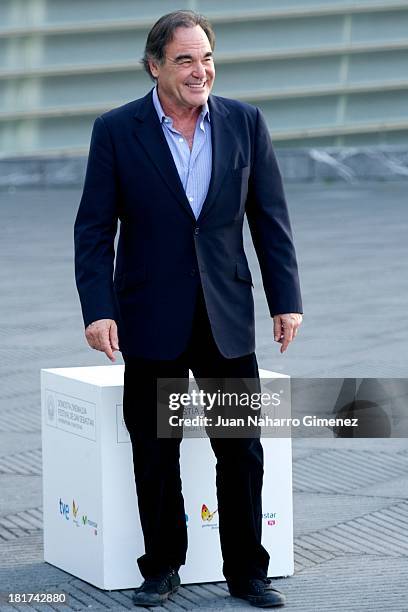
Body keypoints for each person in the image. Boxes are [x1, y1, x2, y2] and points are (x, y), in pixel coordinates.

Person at [74, 10, 302, 608]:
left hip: (226, 315)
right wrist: (98, 309)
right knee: (154, 449)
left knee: (242, 448)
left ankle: (249, 572)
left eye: (206, 57)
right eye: (184, 59)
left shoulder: (245, 122)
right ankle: (162, 567)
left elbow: (269, 221)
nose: (200, 70)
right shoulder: (117, 130)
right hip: (150, 315)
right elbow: (94, 230)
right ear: (155, 66)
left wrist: (287, 301)